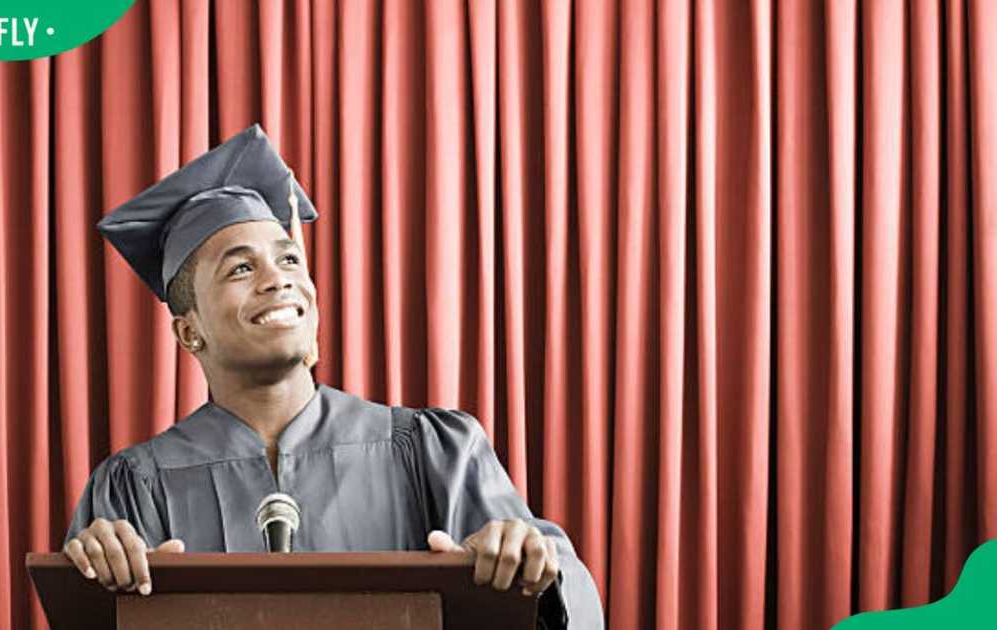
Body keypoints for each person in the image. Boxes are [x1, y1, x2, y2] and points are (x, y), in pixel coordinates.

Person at [63, 125, 604, 628]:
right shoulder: (135, 489)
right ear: (189, 332)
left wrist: (534, 565)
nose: (279, 282)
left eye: (290, 261)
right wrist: (97, 583)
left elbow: (567, 597)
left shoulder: (430, 453)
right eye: (242, 268)